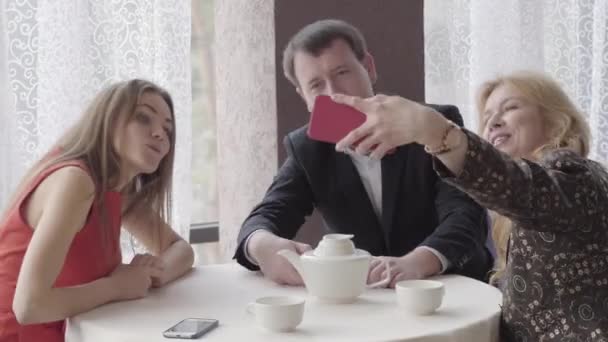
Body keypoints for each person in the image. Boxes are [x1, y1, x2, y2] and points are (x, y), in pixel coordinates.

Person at [333, 70, 607, 341]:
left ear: (556, 121)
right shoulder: (520, 211)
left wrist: (434, 131)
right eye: (486, 118)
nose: (494, 122)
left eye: (510, 108)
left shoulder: (574, 174)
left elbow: (517, 186)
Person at [234, 19, 492, 288]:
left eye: (342, 72)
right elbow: (268, 214)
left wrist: (416, 262)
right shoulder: (307, 148)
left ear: (369, 68)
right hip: (366, 296)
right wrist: (262, 244)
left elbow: (466, 216)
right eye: (316, 85)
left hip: (449, 285)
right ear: (304, 97)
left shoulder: (431, 123)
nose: (333, 93)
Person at [0, 79, 195, 341]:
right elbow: (28, 306)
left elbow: (181, 250)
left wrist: (153, 274)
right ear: (109, 120)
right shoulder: (76, 180)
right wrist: (117, 286)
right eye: (143, 118)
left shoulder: (116, 191)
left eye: (167, 129)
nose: (160, 133)